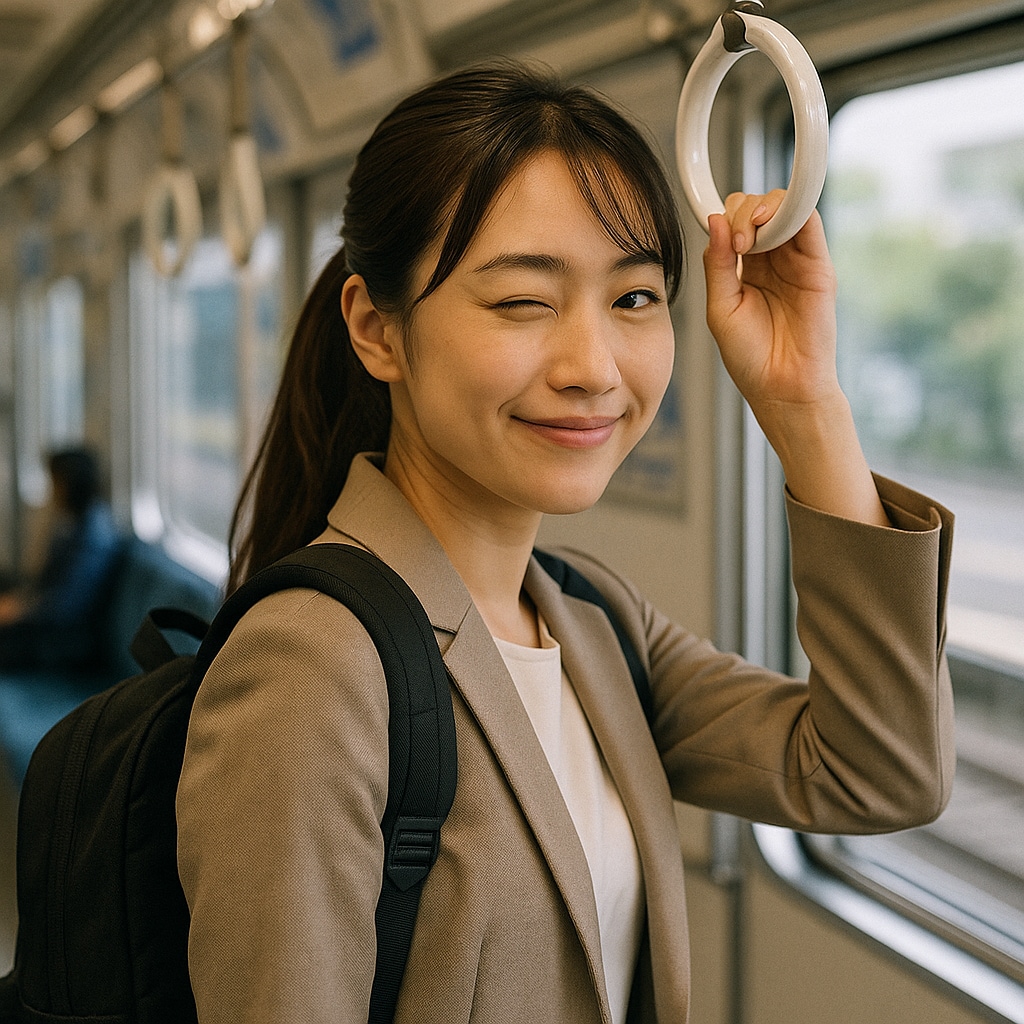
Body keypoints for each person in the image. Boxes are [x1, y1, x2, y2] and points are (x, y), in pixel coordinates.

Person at [176, 62, 955, 1023]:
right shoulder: (312, 669)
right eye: (522, 302)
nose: (592, 368)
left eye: (633, 300)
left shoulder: (590, 623)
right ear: (378, 331)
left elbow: (879, 771)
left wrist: (805, 404)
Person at [0, 446, 121, 671]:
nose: (52, 491)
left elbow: (65, 606)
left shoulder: (93, 537)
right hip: (49, 620)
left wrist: (18, 610)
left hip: (66, 640)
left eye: (55, 483)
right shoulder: (73, 523)